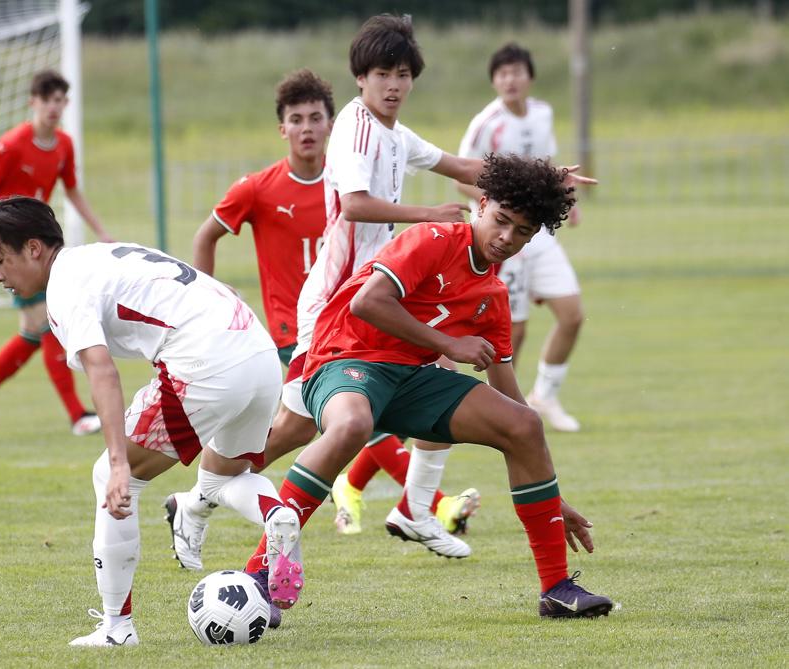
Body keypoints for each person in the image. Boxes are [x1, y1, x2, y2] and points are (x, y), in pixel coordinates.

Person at [246, 152, 613, 619]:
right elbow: (367, 302)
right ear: (480, 204)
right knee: (352, 425)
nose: (506, 238)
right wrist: (450, 345)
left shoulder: (492, 296)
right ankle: (260, 573)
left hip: (410, 380)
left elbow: (510, 400)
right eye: (501, 220)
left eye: (522, 232)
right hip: (344, 358)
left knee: (522, 424)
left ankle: (557, 590)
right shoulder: (433, 238)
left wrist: (552, 499)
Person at [164, 56, 481, 579]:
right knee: (328, 426)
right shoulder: (335, 149)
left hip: (373, 304)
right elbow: (354, 207)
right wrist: (210, 305)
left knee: (329, 421)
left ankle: (413, 508)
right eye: (384, 74)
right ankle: (210, 511)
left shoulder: (394, 137)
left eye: (403, 75)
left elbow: (464, 167)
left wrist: (535, 178)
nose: (395, 85)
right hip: (328, 316)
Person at [0, 196, 304, 646]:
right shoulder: (98, 255)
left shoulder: (64, 287)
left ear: (35, 248)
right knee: (221, 478)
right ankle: (277, 515)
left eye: (2, 260)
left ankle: (118, 628)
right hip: (257, 354)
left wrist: (120, 462)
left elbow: (102, 369)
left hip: (207, 360)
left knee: (111, 476)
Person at [0, 70, 111, 439]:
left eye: (60, 100)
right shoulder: (14, 144)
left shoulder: (64, 144)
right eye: (48, 100)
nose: (55, 107)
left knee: (38, 330)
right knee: (45, 325)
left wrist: (102, 232)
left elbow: (73, 191)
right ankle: (76, 415)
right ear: (33, 101)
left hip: (37, 249)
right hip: (12, 249)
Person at [458, 43, 586, 432]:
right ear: (494, 80)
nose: (509, 80)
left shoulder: (543, 113)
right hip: (503, 237)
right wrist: (496, 212)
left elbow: (546, 166)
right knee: (514, 330)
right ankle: (500, 410)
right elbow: (460, 174)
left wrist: (564, 198)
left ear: (529, 76)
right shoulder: (486, 123)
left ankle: (544, 396)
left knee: (572, 314)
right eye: (502, 73)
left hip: (540, 233)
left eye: (516, 72)